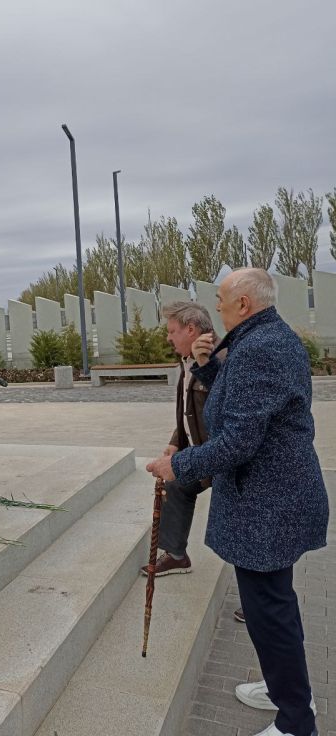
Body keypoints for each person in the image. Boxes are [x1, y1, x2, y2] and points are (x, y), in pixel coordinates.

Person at [146, 268, 328, 736]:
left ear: (244, 304)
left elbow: (238, 439)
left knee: (269, 611)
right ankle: (287, 688)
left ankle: (295, 721)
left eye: (223, 300)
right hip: (271, 497)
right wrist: (208, 367)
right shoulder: (260, 340)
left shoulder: (261, 346)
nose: (218, 308)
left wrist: (178, 466)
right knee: (275, 606)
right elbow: (239, 403)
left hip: (268, 502)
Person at [140, 301, 215, 577]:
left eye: (172, 331)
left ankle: (259, 603)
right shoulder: (188, 360)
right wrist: (176, 441)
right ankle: (175, 555)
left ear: (191, 329)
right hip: (201, 453)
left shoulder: (221, 359)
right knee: (176, 485)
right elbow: (190, 410)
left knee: (242, 528)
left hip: (224, 457)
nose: (168, 337)